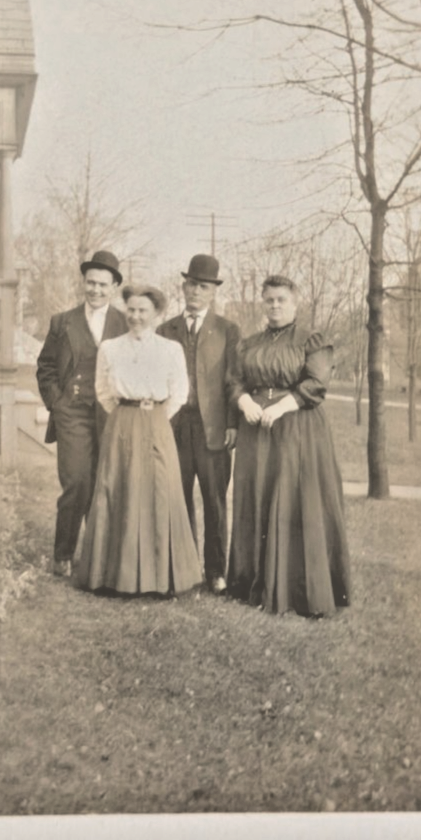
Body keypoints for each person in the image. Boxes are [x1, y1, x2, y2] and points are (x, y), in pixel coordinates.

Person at [227, 275, 351, 616]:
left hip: (297, 426)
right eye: (269, 300)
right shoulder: (249, 344)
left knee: (294, 499)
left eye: (282, 300)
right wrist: (244, 402)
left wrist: (281, 406)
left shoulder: (311, 340)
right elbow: (235, 380)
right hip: (256, 428)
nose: (275, 305)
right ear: (262, 303)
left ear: (295, 304)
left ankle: (295, 588)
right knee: (257, 496)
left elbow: (317, 383)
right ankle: (252, 581)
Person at [76, 285, 202, 596]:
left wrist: (154, 416)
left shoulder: (170, 349)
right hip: (122, 422)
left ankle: (160, 577)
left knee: (159, 488)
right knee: (118, 488)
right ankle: (113, 576)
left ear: (156, 313)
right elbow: (103, 391)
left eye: (142, 310)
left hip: (157, 422)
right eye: (130, 309)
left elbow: (179, 393)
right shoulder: (110, 347)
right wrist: (126, 415)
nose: (135, 316)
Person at [36, 250, 127, 576]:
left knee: (106, 483)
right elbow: (45, 367)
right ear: (83, 282)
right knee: (76, 480)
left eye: (103, 285)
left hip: (111, 414)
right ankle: (63, 553)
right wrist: (57, 403)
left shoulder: (125, 323)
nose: (95, 290)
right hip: (72, 412)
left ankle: (99, 557)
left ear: (114, 287)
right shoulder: (62, 322)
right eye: (91, 283)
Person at [158, 254, 240, 593]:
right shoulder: (166, 330)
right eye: (191, 284)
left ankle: (216, 571)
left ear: (213, 292)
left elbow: (234, 380)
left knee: (215, 501)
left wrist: (232, 423)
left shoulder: (227, 331)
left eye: (203, 286)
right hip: (175, 427)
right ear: (183, 287)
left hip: (214, 429)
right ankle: (185, 567)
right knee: (178, 498)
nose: (196, 291)